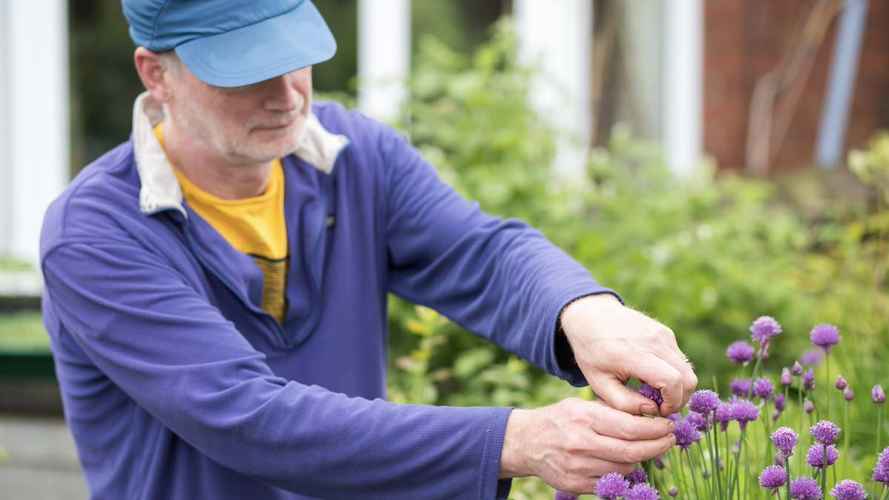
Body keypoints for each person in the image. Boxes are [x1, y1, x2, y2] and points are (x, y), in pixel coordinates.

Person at [39, 1, 697, 498]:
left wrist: (581, 311)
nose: (286, 94)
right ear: (157, 73)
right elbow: (247, 416)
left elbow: (478, 253)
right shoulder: (97, 235)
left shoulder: (355, 158)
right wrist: (513, 440)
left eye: (291, 56)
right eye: (244, 73)